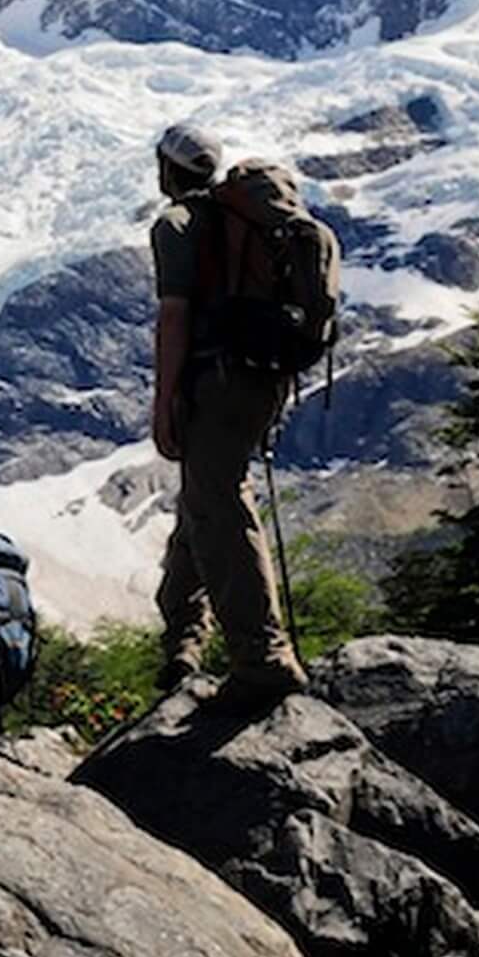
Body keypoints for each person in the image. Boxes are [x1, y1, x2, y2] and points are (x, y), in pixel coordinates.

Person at [149, 120, 310, 711]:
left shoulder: (177, 225)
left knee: (219, 505)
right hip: (264, 380)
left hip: (216, 379)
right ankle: (184, 642)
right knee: (204, 498)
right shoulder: (238, 219)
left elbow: (174, 319)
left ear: (168, 169)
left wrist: (164, 401)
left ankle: (263, 658)